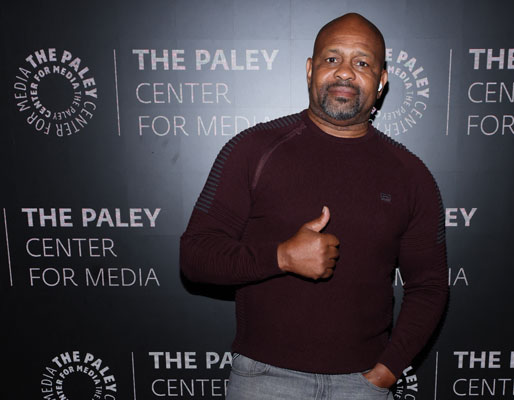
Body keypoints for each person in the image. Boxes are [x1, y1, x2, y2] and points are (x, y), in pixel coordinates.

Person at [180, 12, 448, 399]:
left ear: (382, 81)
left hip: (362, 385)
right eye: (332, 58)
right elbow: (195, 256)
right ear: (310, 70)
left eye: (362, 63)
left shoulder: (412, 175)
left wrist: (386, 372)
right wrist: (282, 257)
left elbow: (430, 286)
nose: (345, 72)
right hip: (263, 381)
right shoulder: (253, 150)